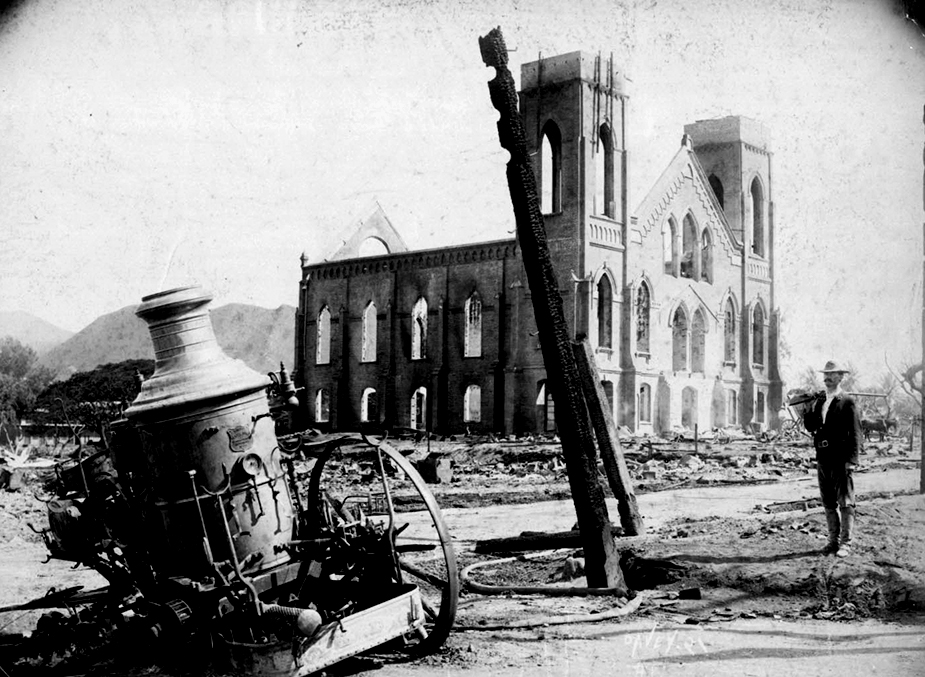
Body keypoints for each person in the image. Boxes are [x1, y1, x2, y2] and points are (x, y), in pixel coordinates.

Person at [802, 360, 862, 557]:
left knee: (845, 501)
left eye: (832, 374)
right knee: (828, 502)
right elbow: (811, 427)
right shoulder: (820, 401)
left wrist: (851, 461)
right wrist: (808, 408)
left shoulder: (847, 401)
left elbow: (855, 432)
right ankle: (832, 541)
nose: (827, 378)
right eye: (826, 374)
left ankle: (846, 543)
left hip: (840, 457)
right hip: (823, 457)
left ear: (840, 377)